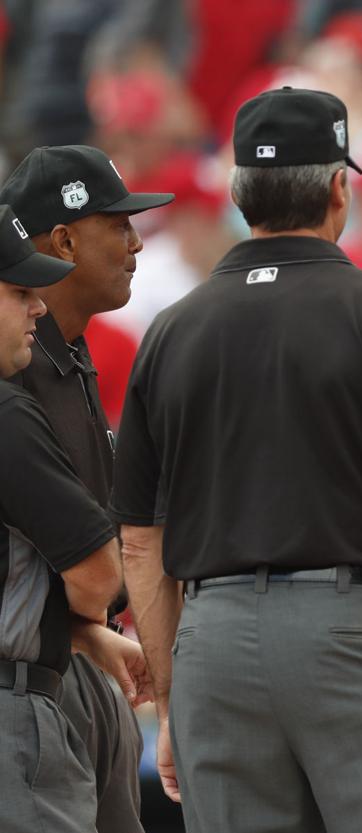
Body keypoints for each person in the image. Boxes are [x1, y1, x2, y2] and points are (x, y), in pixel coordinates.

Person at [109, 87, 362, 833]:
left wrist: (181, 693)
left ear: (241, 195)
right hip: (353, 629)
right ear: (338, 189)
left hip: (213, 641)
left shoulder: (170, 329)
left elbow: (141, 541)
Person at [0, 143, 174, 833]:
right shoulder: (13, 377)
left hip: (70, 660)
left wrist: (89, 635)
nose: (135, 242)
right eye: (117, 224)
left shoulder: (67, 351)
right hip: (29, 680)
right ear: (64, 237)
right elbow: (94, 571)